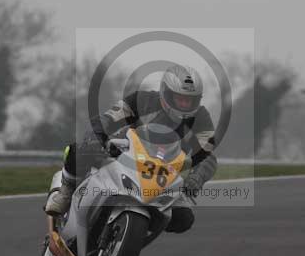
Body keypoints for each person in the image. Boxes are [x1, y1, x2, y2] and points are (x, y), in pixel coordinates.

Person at [44, 64, 218, 234]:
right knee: (80, 149)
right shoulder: (142, 100)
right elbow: (109, 118)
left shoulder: (201, 118)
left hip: (161, 175)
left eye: (189, 101)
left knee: (183, 219)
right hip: (123, 153)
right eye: (179, 99)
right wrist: (97, 137)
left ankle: (132, 234)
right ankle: (66, 191)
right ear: (166, 93)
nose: (184, 104)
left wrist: (195, 178)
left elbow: (207, 155)